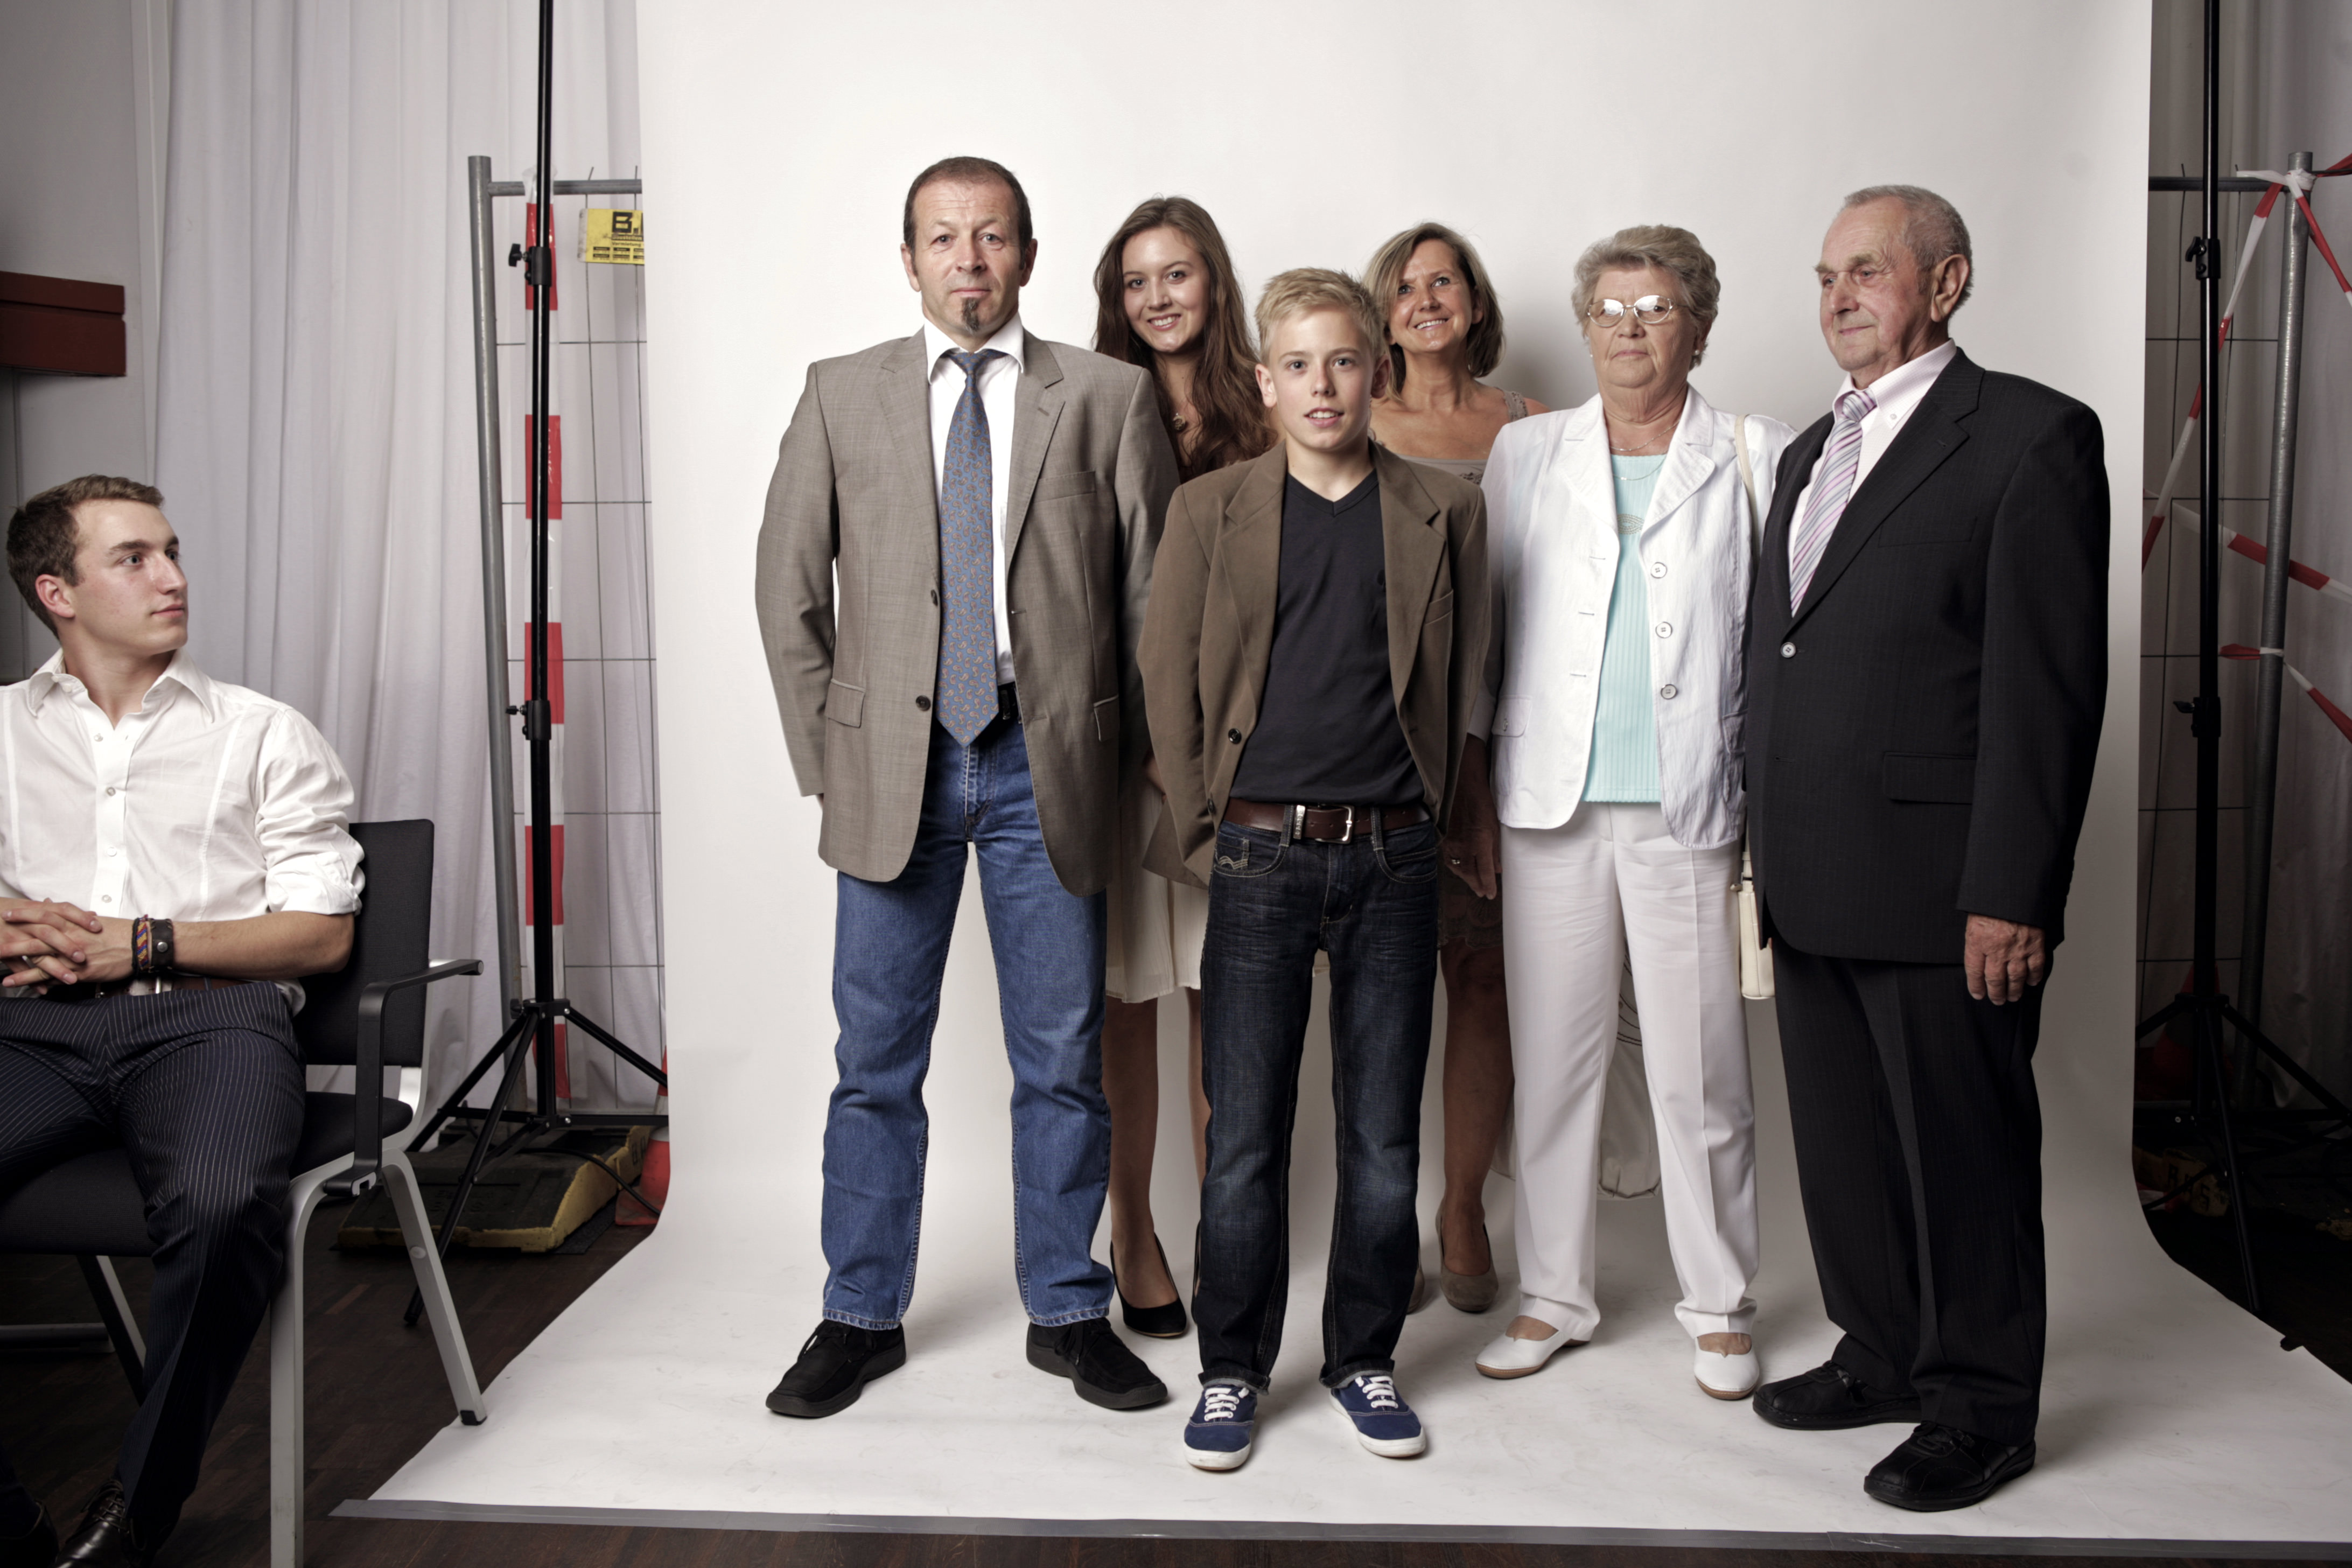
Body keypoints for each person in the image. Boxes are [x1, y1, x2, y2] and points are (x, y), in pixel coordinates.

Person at [754, 156, 1180, 1419]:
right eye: (944, 238)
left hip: (1050, 768)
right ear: (910, 260)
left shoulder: (1104, 397)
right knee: (875, 1061)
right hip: (895, 771)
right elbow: (788, 589)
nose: (970, 260)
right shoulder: (840, 393)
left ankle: (1068, 1307)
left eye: (992, 236)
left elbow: (1154, 605)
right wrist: (833, 764)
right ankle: (859, 1311)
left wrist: (1134, 771)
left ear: (1027, 256)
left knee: (1062, 1058)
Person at [1744, 186, 2106, 1510]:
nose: (1838, 296)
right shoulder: (1810, 451)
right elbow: (1786, 654)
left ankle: (1981, 1407)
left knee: (1963, 1155)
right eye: (1825, 275)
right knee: (1846, 1150)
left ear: (1947, 283)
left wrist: (2013, 891)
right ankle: (1885, 1350)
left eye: (1868, 270)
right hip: (1813, 873)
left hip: (1948, 888)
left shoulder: (2030, 436)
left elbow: (2046, 691)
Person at [1143, 269, 1489, 1471]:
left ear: (1377, 371)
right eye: (1298, 364)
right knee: (1243, 1135)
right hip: (1259, 852)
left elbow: (1464, 685)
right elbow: (1169, 686)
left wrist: (1445, 826)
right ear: (1264, 381)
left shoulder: (1443, 510)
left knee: (1384, 1138)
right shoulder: (1211, 511)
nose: (1323, 385)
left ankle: (1362, 1356)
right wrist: (1210, 832)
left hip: (1394, 856)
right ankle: (1232, 1370)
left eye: (1344, 360)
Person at [0, 475, 366, 1568]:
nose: (173, 578)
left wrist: (146, 943)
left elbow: (320, 936)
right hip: (30, 1031)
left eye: (171, 552)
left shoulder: (262, 734)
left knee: (219, 1205)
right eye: (135, 558)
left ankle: (138, 1509)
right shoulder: (1, 732)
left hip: (213, 1026)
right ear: (56, 591)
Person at [1461, 227, 1790, 1399]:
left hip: (1690, 808)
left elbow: (1781, 641)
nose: (1629, 329)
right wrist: (1474, 793)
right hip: (1547, 805)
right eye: (1608, 309)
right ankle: (1554, 1294)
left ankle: (1719, 1301)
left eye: (1654, 308)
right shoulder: (1526, 452)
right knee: (1555, 1065)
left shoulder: (1753, 453)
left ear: (1698, 327)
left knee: (1702, 1073)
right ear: (1586, 326)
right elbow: (1487, 629)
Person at [1088, 195, 1274, 1337]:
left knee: (1225, 1004)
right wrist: (1150, 741)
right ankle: (1132, 1233)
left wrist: (1212, 744)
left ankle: (1226, 1236)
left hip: (1239, 757)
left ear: (1214, 281)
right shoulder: (1088, 400)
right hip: (1122, 760)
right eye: (1137, 280)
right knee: (1126, 1003)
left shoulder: (1268, 397)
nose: (1158, 298)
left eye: (1178, 274)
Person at [1363, 221, 1549, 1313]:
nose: (1426, 298)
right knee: (1388, 986)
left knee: (1483, 976)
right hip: (1384, 744)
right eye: (1405, 285)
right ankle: (1383, 1217)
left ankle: (1464, 1205)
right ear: (1381, 314)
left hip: (1510, 733)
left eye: (1445, 281)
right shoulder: (1354, 419)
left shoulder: (1533, 425)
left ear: (1475, 303)